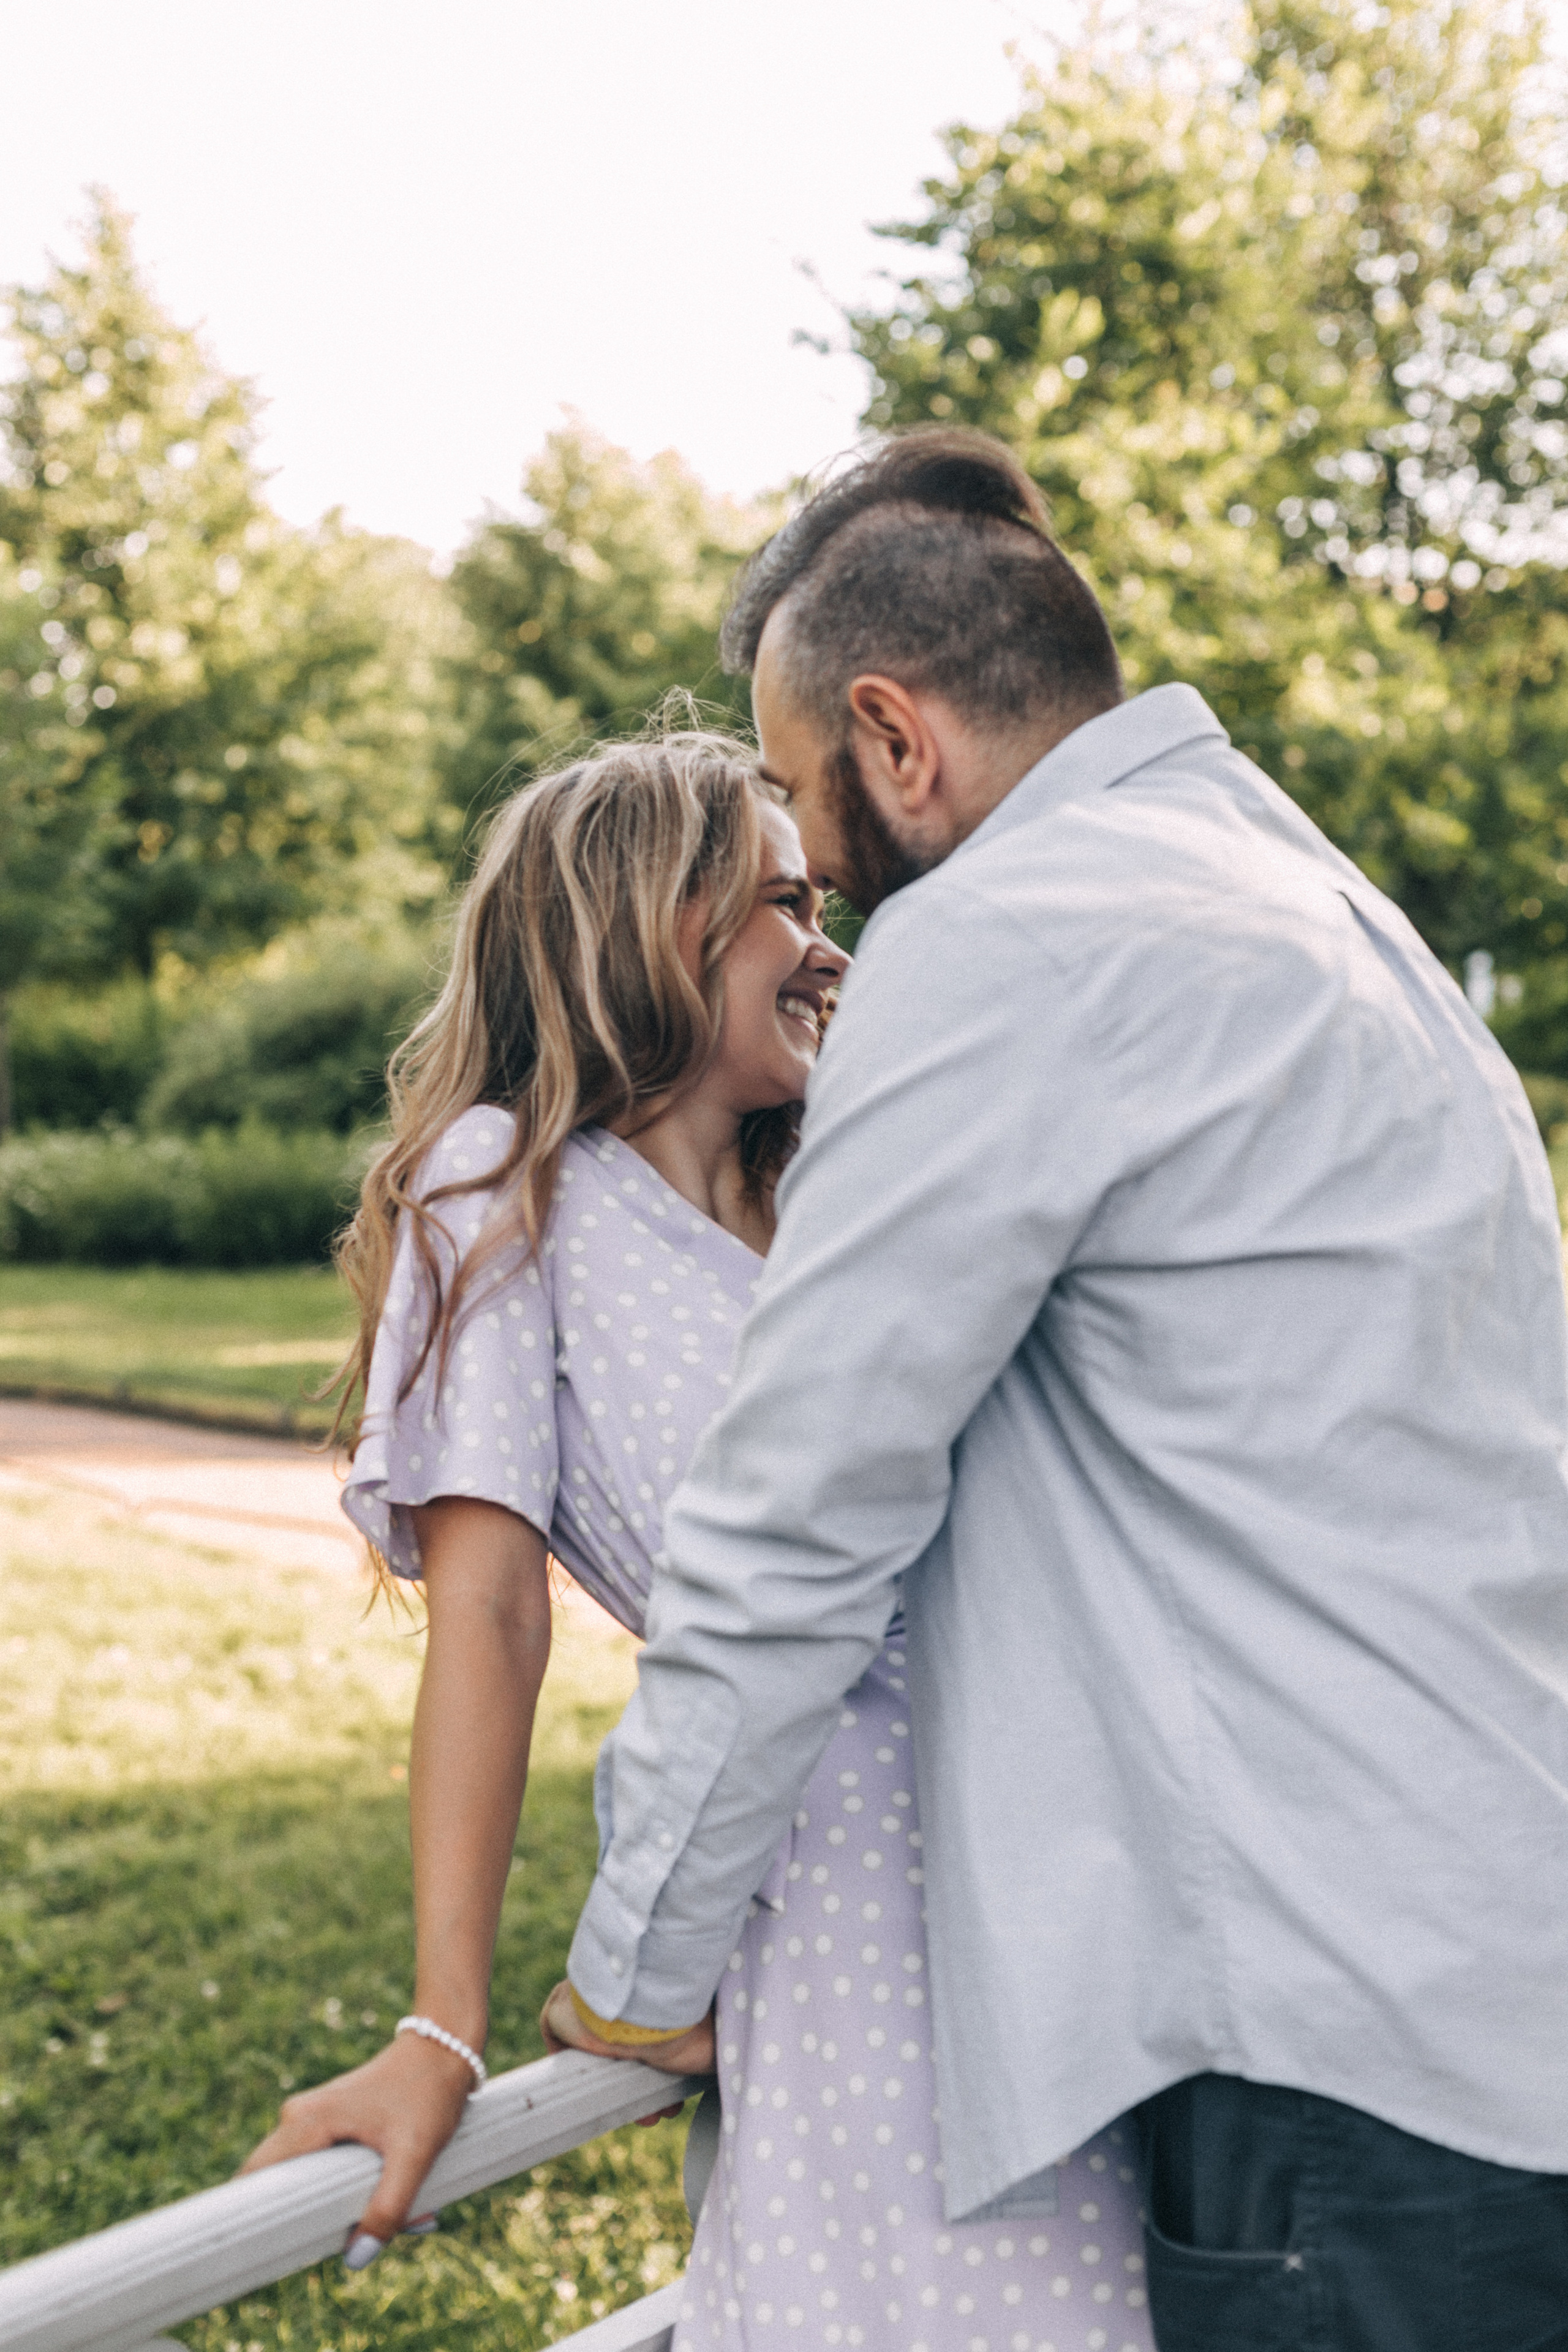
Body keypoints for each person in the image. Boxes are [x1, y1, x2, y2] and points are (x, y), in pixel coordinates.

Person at [547, 430, 1568, 2352]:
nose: (816, 882)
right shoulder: (1322, 909)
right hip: (1506, 1979)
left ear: (894, 734)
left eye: (794, 792)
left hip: (1336, 2064)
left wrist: (637, 1970)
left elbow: (796, 1512)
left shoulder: (1006, 942)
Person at [239, 727, 1156, 2351]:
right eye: (787, 908)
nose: (831, 950)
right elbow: (493, 1618)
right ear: (656, 929)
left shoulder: (847, 1193)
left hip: (1083, 1887)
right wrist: (443, 2026)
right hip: (849, 1905)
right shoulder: (503, 1188)